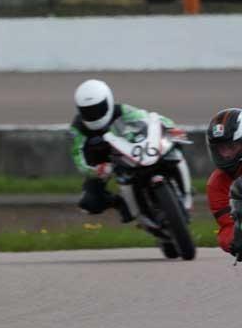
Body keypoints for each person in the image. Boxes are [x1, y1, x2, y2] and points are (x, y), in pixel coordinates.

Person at [69, 79, 188, 222]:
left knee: (174, 146)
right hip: (101, 163)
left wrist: (170, 127)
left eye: (98, 108)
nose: (93, 114)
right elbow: (77, 155)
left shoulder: (122, 110)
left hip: (129, 149)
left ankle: (184, 188)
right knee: (89, 203)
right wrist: (94, 170)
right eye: (88, 111)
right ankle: (122, 204)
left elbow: (148, 118)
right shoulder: (78, 127)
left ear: (108, 101)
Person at [205, 108, 242, 259]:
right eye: (221, 148)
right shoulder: (216, 183)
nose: (226, 154)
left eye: (231, 147)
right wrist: (234, 240)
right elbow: (227, 224)